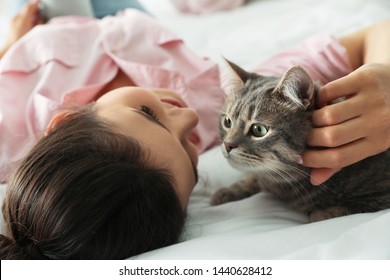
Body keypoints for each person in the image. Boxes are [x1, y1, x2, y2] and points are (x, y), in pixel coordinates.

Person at [0, 2, 389, 259]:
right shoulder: (218, 96)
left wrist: (13, 44)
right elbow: (374, 34)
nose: (186, 119)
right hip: (141, 20)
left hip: (46, 35)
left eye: (147, 113)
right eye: (190, 152)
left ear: (66, 120)